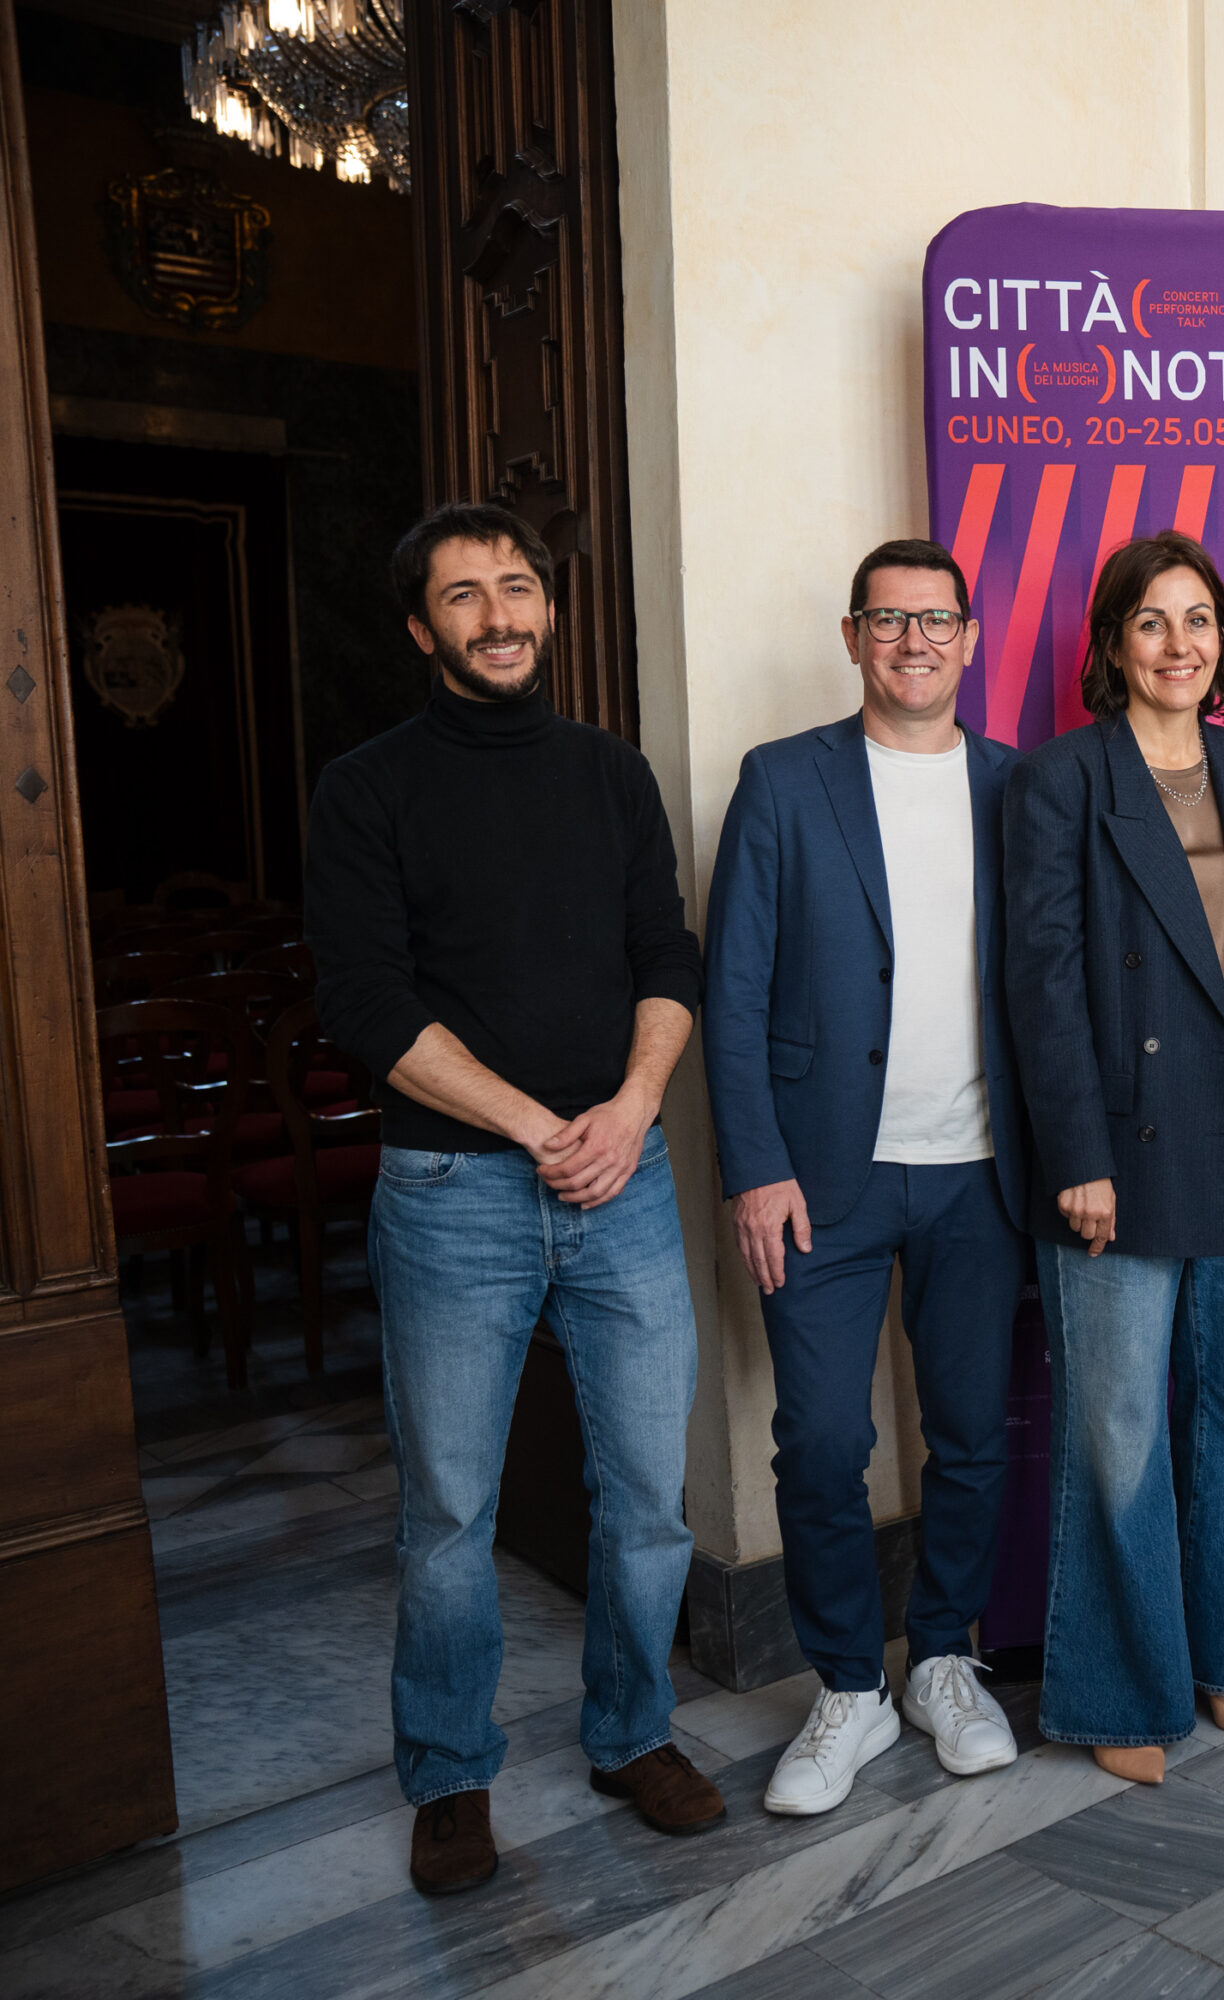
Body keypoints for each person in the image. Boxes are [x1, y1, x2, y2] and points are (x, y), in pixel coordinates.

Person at [309, 503, 721, 1895]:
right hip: (450, 1192)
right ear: (423, 629)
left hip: (627, 1179)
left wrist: (634, 1105)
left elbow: (667, 953)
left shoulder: (611, 776)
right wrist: (546, 1125)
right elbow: (368, 1003)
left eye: (519, 588)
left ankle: (629, 1733)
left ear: (547, 609)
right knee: (447, 1510)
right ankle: (449, 1770)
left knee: (651, 1497)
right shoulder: (366, 790)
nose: (500, 615)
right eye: (465, 596)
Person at [703, 538, 1032, 1815]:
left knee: (968, 1434)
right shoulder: (784, 782)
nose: (912, 642)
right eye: (887, 621)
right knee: (823, 1439)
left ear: (968, 635)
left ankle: (942, 1657)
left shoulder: (1021, 787)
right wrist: (755, 1167)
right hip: (821, 1180)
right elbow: (732, 994)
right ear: (852, 637)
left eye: (934, 620)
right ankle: (848, 1683)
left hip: (981, 1174)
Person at [1004, 531, 1224, 1784]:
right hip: (1118, 1147)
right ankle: (1117, 1692)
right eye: (1153, 621)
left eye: (1200, 621)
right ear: (1110, 643)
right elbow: (1042, 982)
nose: (1180, 644)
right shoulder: (1059, 780)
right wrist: (1076, 1151)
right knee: (1120, 1430)